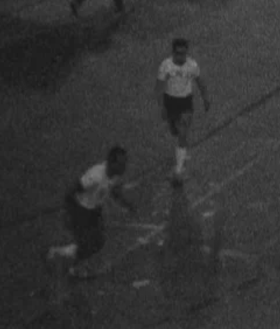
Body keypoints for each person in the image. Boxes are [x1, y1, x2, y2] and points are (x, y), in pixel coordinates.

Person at [45, 146, 135, 279]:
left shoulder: (114, 175)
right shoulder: (95, 176)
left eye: (125, 163)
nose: (125, 167)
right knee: (90, 244)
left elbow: (115, 192)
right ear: (111, 162)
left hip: (94, 211)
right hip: (80, 211)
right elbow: (72, 190)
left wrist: (127, 204)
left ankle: (59, 254)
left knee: (97, 242)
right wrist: (68, 214)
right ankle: (71, 267)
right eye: (122, 164)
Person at [156, 39, 211, 185]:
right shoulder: (165, 66)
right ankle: (182, 152)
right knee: (174, 131)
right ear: (173, 52)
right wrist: (162, 107)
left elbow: (200, 81)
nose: (181, 57)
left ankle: (178, 170)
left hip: (185, 102)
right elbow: (159, 87)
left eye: (184, 53)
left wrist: (205, 98)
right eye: (178, 53)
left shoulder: (192, 65)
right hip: (171, 102)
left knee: (182, 132)